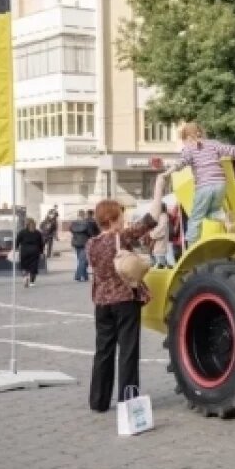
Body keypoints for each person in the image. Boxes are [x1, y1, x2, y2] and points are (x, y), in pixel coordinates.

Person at [85, 175, 166, 413]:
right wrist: (159, 188)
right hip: (124, 301)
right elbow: (151, 219)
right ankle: (128, 401)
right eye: (120, 215)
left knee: (103, 351)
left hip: (101, 302)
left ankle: (98, 401)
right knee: (128, 351)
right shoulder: (121, 237)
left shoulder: (91, 244)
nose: (123, 218)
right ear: (112, 219)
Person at [165, 122, 235, 248]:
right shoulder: (213, 144)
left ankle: (191, 246)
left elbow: (181, 162)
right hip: (220, 184)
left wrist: (168, 172)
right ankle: (226, 219)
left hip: (204, 187)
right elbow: (232, 150)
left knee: (195, 218)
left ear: (187, 137)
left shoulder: (189, 148)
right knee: (212, 211)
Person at [16, 218, 44, 288]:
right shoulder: (38, 233)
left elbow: (17, 241)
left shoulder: (22, 232)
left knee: (24, 266)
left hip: (24, 251)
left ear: (26, 224)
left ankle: (25, 277)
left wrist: (16, 249)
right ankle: (32, 282)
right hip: (35, 251)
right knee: (33, 267)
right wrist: (41, 252)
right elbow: (41, 243)